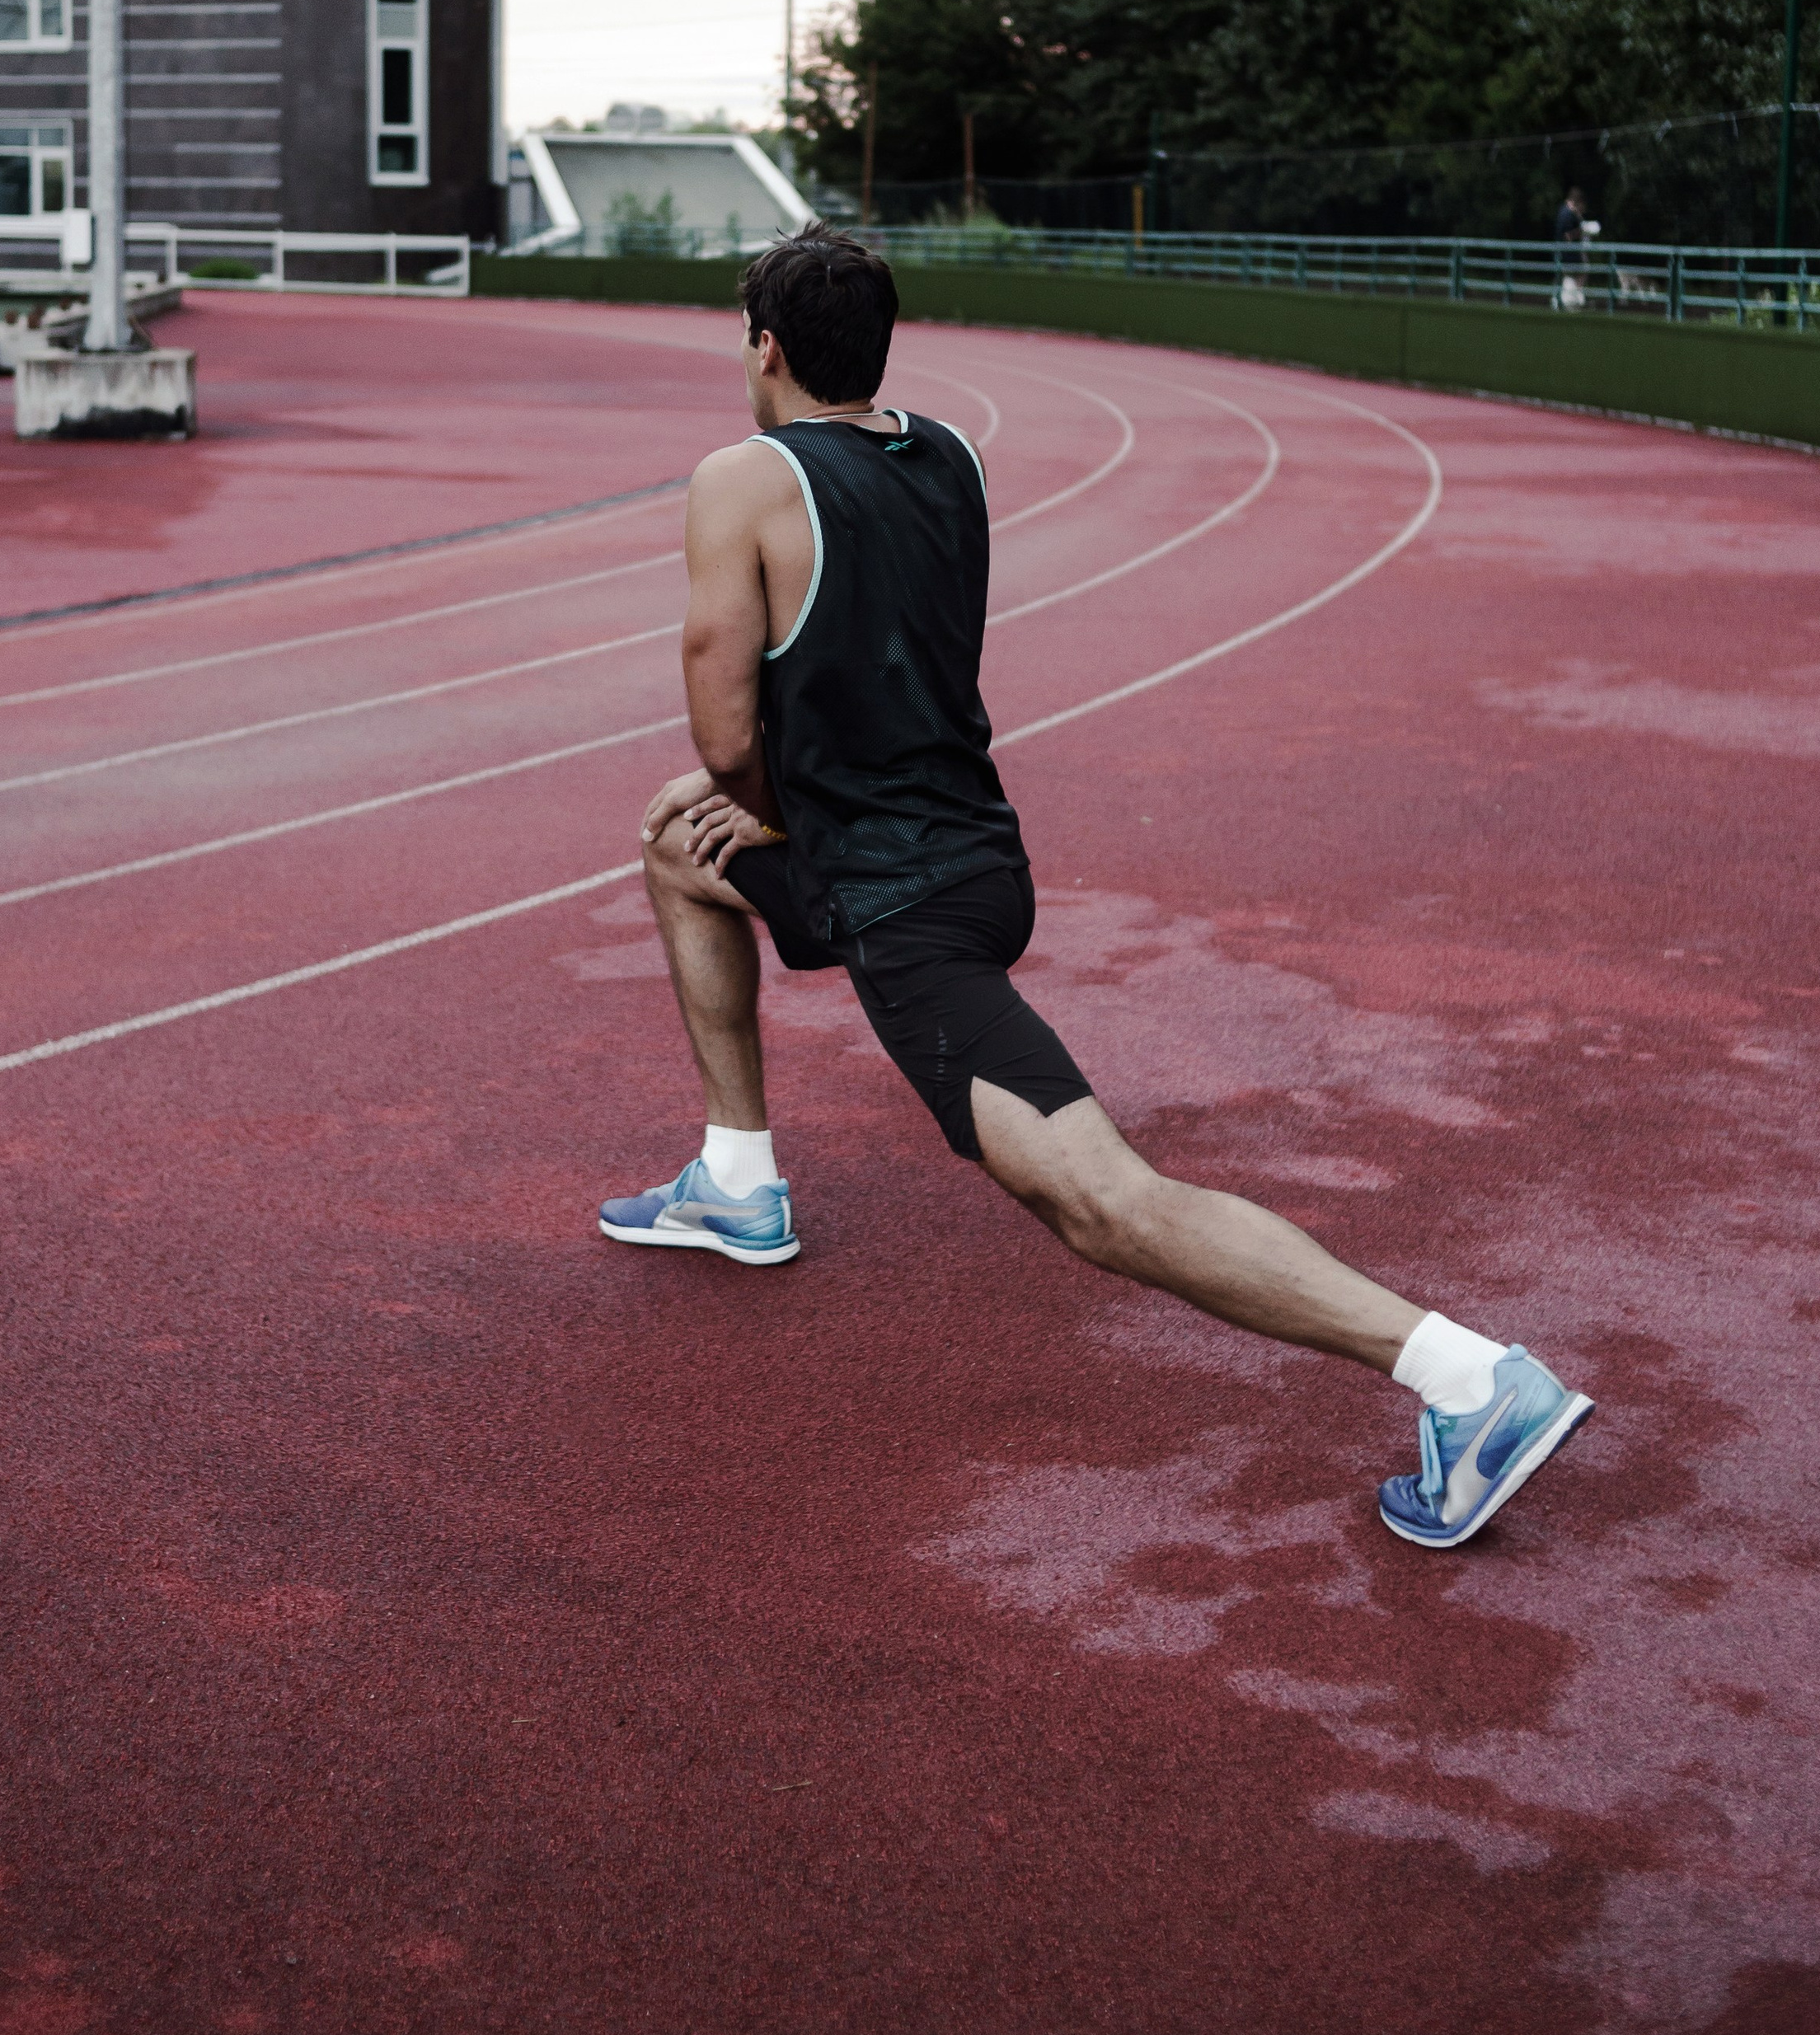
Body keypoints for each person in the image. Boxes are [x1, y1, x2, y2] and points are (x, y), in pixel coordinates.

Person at [599, 231, 1592, 1550]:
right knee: (681, 845)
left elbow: (725, 724)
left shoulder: (744, 477)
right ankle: (736, 1180)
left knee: (1101, 1202)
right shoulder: (947, 452)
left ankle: (1468, 1380)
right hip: (980, 859)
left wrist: (774, 804)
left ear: (763, 347)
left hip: (905, 904)